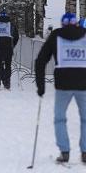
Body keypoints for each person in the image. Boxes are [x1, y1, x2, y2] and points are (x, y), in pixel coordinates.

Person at [35, 13, 86, 163]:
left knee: (60, 118)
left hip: (63, 85)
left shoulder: (56, 35)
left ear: (63, 24)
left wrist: (41, 85)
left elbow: (41, 60)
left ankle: (64, 152)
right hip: (84, 83)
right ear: (76, 23)